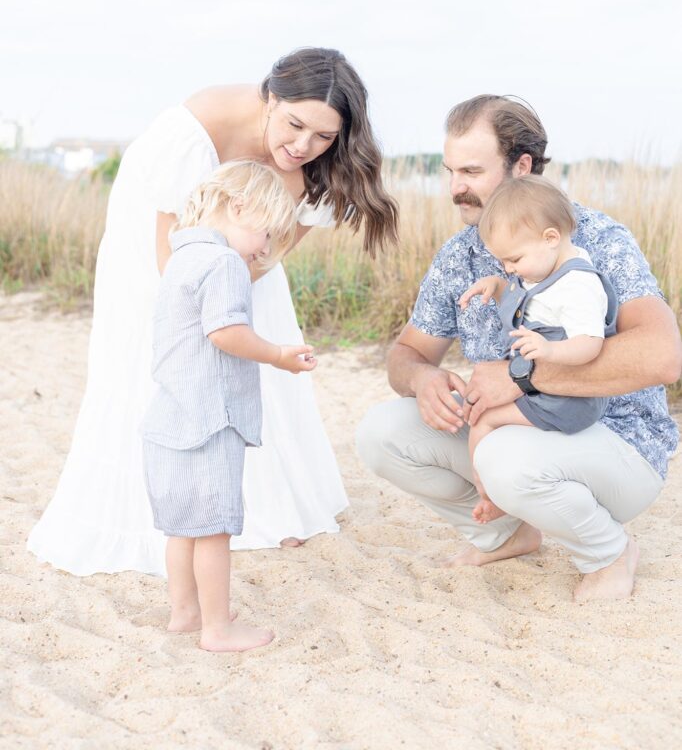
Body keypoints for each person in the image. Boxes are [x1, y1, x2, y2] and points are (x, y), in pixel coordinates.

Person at [28, 47, 399, 576]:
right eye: (295, 125)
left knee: (258, 333)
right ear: (269, 98)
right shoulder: (191, 136)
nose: (303, 146)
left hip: (245, 255)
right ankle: (165, 510)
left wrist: (238, 297)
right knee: (163, 358)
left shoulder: (314, 164)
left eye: (323, 136)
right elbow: (171, 264)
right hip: (163, 247)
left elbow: (271, 256)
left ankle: (271, 508)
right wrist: (212, 310)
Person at [356, 94, 681, 601]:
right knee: (381, 432)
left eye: (470, 170)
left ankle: (609, 552)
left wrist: (519, 377)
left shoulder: (593, 239)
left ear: (521, 166)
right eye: (449, 171)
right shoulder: (459, 254)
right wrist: (423, 380)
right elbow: (406, 354)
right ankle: (508, 534)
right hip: (525, 432)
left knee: (505, 457)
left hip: (617, 445)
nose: (454, 187)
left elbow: (664, 357)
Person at [142, 161, 315, 652]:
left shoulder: (181, 258)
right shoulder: (223, 265)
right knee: (214, 528)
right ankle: (217, 628)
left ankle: (185, 612)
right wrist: (279, 354)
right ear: (238, 206)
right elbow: (226, 333)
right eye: (265, 233)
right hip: (211, 418)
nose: (265, 249)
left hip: (172, 414)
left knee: (184, 529)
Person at [458, 175, 618, 524]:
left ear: (550, 238)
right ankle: (502, 489)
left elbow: (590, 345)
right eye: (502, 263)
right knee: (485, 414)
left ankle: (491, 496)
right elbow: (533, 300)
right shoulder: (547, 269)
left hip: (569, 400)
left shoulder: (578, 286)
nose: (508, 268)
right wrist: (498, 286)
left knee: (484, 422)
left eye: (512, 260)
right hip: (549, 390)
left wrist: (548, 351)